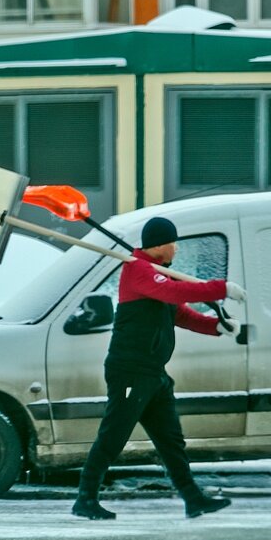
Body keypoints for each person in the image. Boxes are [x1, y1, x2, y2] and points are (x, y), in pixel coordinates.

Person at [72, 216, 247, 521]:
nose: (176, 249)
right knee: (114, 436)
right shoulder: (137, 270)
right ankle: (85, 499)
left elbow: (180, 314)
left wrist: (217, 327)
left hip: (154, 373)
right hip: (130, 372)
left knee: (171, 441)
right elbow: (175, 294)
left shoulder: (157, 273)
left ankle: (193, 499)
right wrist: (220, 289)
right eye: (173, 243)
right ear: (161, 245)